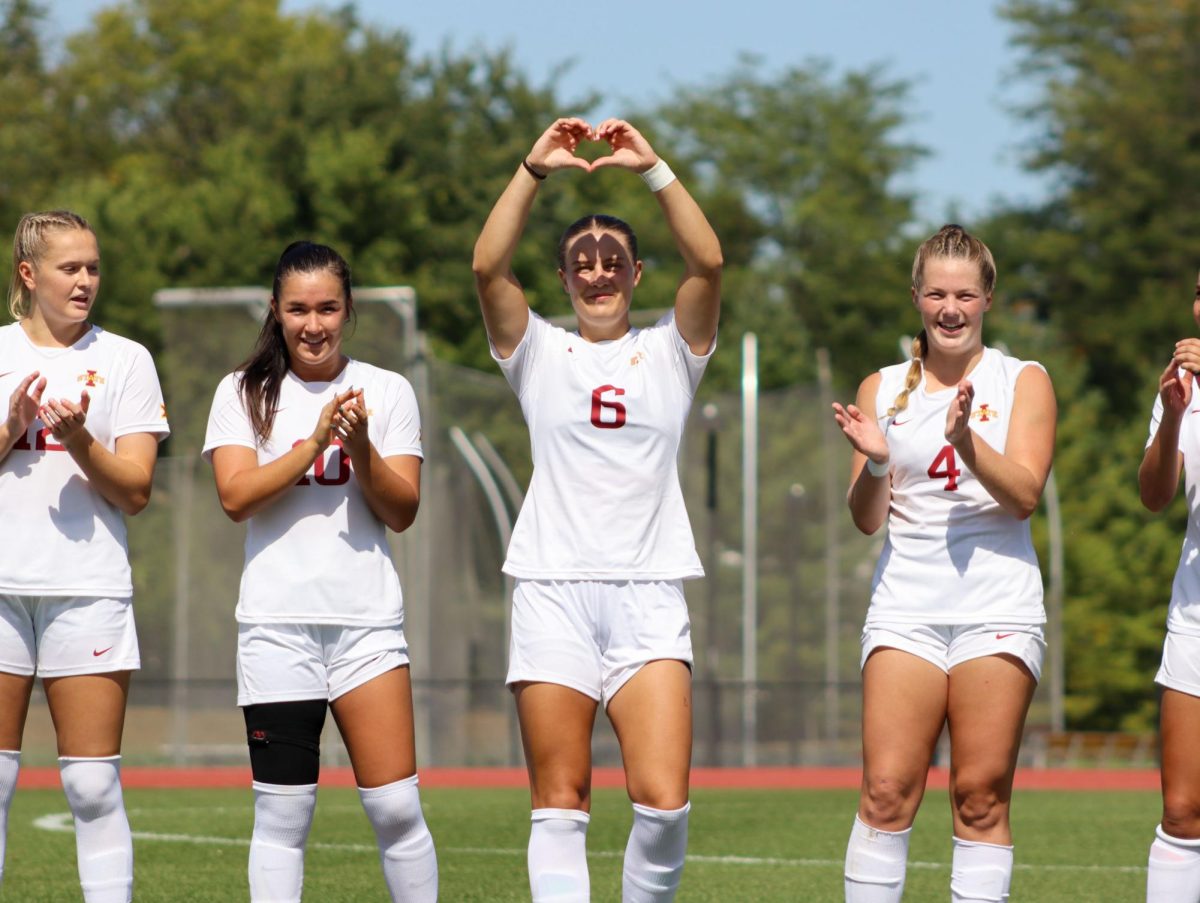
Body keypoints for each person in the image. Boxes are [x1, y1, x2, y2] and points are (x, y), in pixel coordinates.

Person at [472, 117, 721, 903]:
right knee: (561, 798)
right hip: (552, 588)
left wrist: (653, 168)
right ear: (563, 277)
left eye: (614, 261)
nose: (599, 272)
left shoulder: (671, 353)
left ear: (638, 273)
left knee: (664, 802)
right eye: (582, 263)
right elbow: (486, 266)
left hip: (648, 591)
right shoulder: (539, 351)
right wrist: (533, 169)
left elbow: (709, 262)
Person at [202, 241, 436, 903]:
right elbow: (236, 496)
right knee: (283, 815)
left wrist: (359, 445)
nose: (314, 324)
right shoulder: (243, 391)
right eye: (299, 308)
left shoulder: (387, 390)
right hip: (276, 626)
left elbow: (401, 510)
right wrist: (313, 442)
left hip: (367, 626)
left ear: (348, 308)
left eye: (328, 307)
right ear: (276, 310)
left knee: (395, 806)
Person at [831, 224, 1057, 903]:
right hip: (906, 609)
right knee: (887, 789)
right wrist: (876, 459)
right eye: (935, 293)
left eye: (964, 293)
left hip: (998, 607)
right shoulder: (881, 386)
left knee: (979, 796)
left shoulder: (1024, 380)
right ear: (916, 298)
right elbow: (866, 517)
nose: (949, 308)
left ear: (987, 298)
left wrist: (967, 442)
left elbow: (1024, 497)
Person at [0, 210, 169, 902]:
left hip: (89, 589)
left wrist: (78, 440)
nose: (86, 281)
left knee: (92, 783)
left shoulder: (126, 359)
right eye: (70, 267)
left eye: (93, 267)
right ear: (28, 274)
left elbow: (135, 490)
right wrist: (10, 428)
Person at [1138, 270, 1200, 902]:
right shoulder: (1183, 386)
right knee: (1182, 811)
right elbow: (1155, 495)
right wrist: (1173, 419)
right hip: (1195, 615)